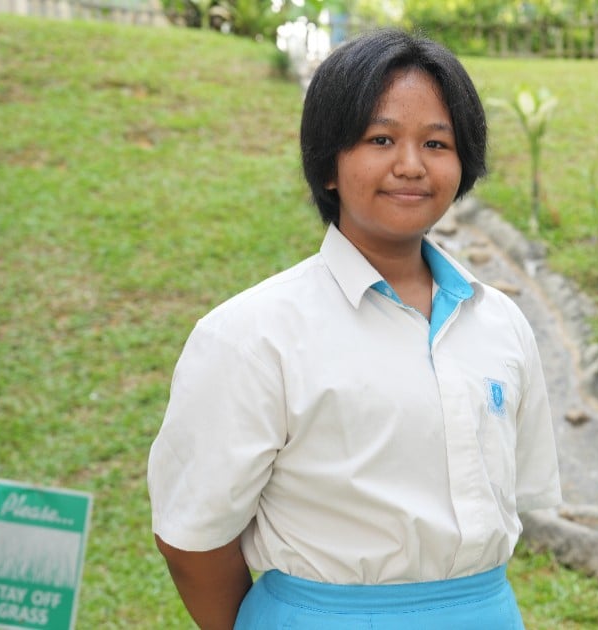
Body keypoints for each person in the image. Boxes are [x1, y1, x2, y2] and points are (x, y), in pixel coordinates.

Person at [146, 29, 562, 629]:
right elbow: (191, 541)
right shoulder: (251, 335)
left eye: (437, 142)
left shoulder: (499, 323)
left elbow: (518, 492)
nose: (411, 165)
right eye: (381, 138)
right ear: (329, 164)